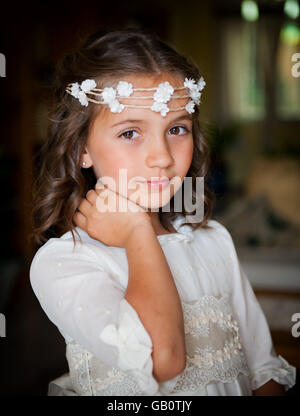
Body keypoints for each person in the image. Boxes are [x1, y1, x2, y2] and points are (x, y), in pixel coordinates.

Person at [29, 27, 296, 396]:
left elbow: (262, 371)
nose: (162, 157)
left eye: (177, 129)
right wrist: (138, 230)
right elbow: (163, 359)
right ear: (80, 150)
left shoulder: (213, 241)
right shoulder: (66, 262)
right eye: (129, 133)